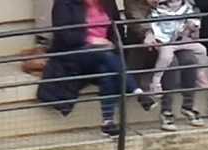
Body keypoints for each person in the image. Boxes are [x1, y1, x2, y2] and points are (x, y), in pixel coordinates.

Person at [36, 0, 155, 138]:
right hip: (74, 52)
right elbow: (64, 34)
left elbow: (117, 31)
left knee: (107, 67)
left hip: (104, 54)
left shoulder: (108, 2)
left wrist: (113, 44)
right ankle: (137, 92)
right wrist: (91, 40)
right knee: (106, 57)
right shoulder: (65, 3)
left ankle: (108, 122)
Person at [144, 0, 208, 98]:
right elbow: (152, 23)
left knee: (201, 50)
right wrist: (154, 35)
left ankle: (200, 73)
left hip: (181, 39)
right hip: (165, 41)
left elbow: (193, 20)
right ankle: (156, 81)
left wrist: (192, 26)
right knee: (166, 57)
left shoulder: (187, 7)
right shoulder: (157, 9)